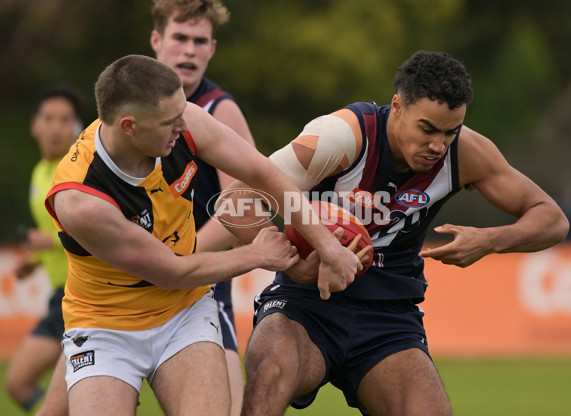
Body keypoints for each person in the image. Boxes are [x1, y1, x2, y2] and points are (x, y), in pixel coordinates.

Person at [217, 51, 570, 416]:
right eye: (427, 129)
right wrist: (291, 263)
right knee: (269, 370)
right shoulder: (341, 136)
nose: (438, 146)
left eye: (451, 131)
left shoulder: (466, 153)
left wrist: (490, 241)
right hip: (306, 304)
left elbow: (552, 219)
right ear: (397, 106)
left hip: (387, 319)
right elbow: (233, 201)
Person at [44, 54, 364, 416]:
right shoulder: (80, 199)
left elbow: (264, 174)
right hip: (104, 326)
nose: (184, 123)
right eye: (170, 121)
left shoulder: (187, 121)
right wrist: (258, 255)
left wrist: (326, 246)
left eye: (183, 110)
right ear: (129, 126)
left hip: (183, 311)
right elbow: (171, 270)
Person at [150, 2, 253, 413]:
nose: (189, 51)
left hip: (199, 291)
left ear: (212, 48)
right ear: (157, 41)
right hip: (124, 291)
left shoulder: (220, 110)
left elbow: (243, 209)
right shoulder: (127, 102)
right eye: (179, 38)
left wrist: (178, 262)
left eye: (199, 41)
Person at [4, 86, 82, 414]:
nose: (55, 128)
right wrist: (34, 261)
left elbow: (98, 234)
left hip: (83, 299)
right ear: (35, 125)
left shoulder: (79, 171)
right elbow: (52, 233)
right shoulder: (39, 173)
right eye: (48, 119)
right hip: (58, 299)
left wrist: (47, 243)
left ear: (77, 128)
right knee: (16, 383)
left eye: (64, 120)